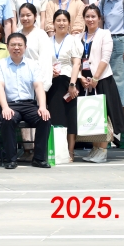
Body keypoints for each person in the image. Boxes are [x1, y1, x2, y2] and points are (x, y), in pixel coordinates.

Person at [0, 33, 52, 169]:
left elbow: (38, 86)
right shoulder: (0, 65)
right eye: (13, 45)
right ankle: (10, 159)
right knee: (7, 119)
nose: (16, 48)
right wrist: (5, 108)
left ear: (25, 47)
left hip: (29, 104)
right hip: (10, 104)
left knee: (44, 118)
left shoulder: (33, 64)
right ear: (8, 47)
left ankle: (39, 158)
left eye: (20, 45)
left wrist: (42, 106)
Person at [77, 6, 124, 163]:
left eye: (93, 16)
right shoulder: (79, 37)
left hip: (102, 80)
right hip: (85, 82)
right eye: (87, 16)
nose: (90, 19)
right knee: (91, 116)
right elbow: (76, 60)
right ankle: (95, 148)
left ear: (99, 18)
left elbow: (105, 58)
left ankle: (103, 150)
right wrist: (80, 77)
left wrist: (96, 78)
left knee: (104, 117)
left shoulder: (105, 34)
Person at [48, 10, 80, 163]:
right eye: (58, 20)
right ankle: (57, 150)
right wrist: (49, 70)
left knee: (70, 117)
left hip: (68, 82)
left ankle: (70, 151)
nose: (61, 23)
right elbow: (43, 61)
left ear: (69, 23)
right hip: (52, 82)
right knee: (56, 117)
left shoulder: (73, 40)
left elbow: (76, 63)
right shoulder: (47, 41)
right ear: (53, 23)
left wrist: (72, 84)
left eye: (64, 20)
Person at [18, 4, 54, 97]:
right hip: (18, 81)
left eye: (28, 15)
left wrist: (43, 87)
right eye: (22, 15)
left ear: (35, 16)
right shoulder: (16, 34)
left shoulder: (41, 34)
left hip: (36, 81)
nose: (25, 18)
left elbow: (45, 61)